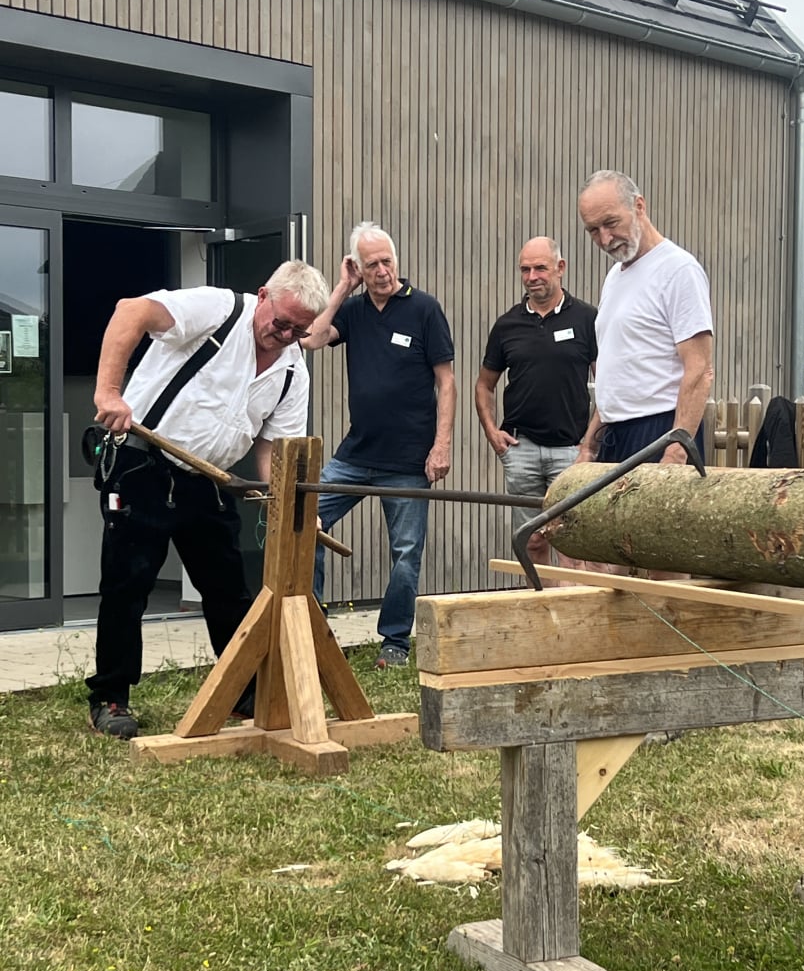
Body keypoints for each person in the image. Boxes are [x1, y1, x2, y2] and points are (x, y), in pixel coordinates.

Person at [87, 260, 338, 739]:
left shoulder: (292, 372)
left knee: (228, 590)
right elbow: (129, 312)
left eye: (298, 330)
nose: (285, 335)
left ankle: (241, 689)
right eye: (281, 322)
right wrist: (109, 393)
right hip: (143, 464)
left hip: (208, 480)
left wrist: (288, 503)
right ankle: (111, 697)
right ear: (262, 296)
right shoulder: (217, 310)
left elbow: (274, 450)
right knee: (128, 583)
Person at [305, 222, 456, 669]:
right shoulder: (353, 311)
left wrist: (442, 446)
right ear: (359, 267)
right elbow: (311, 338)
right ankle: (312, 631)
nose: (382, 271)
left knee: (406, 553)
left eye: (387, 261)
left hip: (409, 461)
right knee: (303, 521)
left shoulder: (424, 308)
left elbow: (446, 382)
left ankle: (394, 642)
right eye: (371, 265)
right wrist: (341, 288)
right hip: (356, 455)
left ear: (396, 260)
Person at [576, 170, 713, 469]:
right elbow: (616, 372)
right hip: (614, 434)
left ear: (639, 206)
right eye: (593, 230)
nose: (605, 238)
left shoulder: (679, 270)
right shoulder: (615, 277)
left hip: (660, 431)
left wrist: (676, 451)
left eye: (611, 223)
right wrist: (589, 446)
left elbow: (700, 369)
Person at [475, 235, 597, 571]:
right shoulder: (507, 325)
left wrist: (589, 443)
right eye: (525, 270)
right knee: (532, 541)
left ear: (560, 268)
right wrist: (492, 432)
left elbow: (608, 385)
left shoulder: (587, 319)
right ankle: (541, 601)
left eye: (540, 268)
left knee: (571, 544)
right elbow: (484, 385)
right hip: (521, 450)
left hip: (571, 451)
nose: (532, 277)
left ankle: (570, 605)